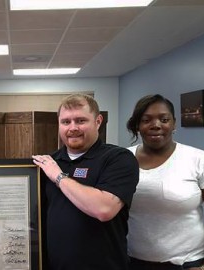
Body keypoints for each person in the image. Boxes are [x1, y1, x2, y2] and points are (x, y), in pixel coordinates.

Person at [126, 94, 204, 270]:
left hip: (188, 263)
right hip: (130, 261)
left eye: (164, 119)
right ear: (138, 125)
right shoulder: (121, 160)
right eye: (146, 120)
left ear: (174, 123)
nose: (156, 125)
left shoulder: (200, 161)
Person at [32, 93, 139, 269]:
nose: (72, 128)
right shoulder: (48, 162)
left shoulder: (118, 158)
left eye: (81, 121)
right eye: (66, 122)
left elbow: (104, 209)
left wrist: (59, 177)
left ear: (98, 121)